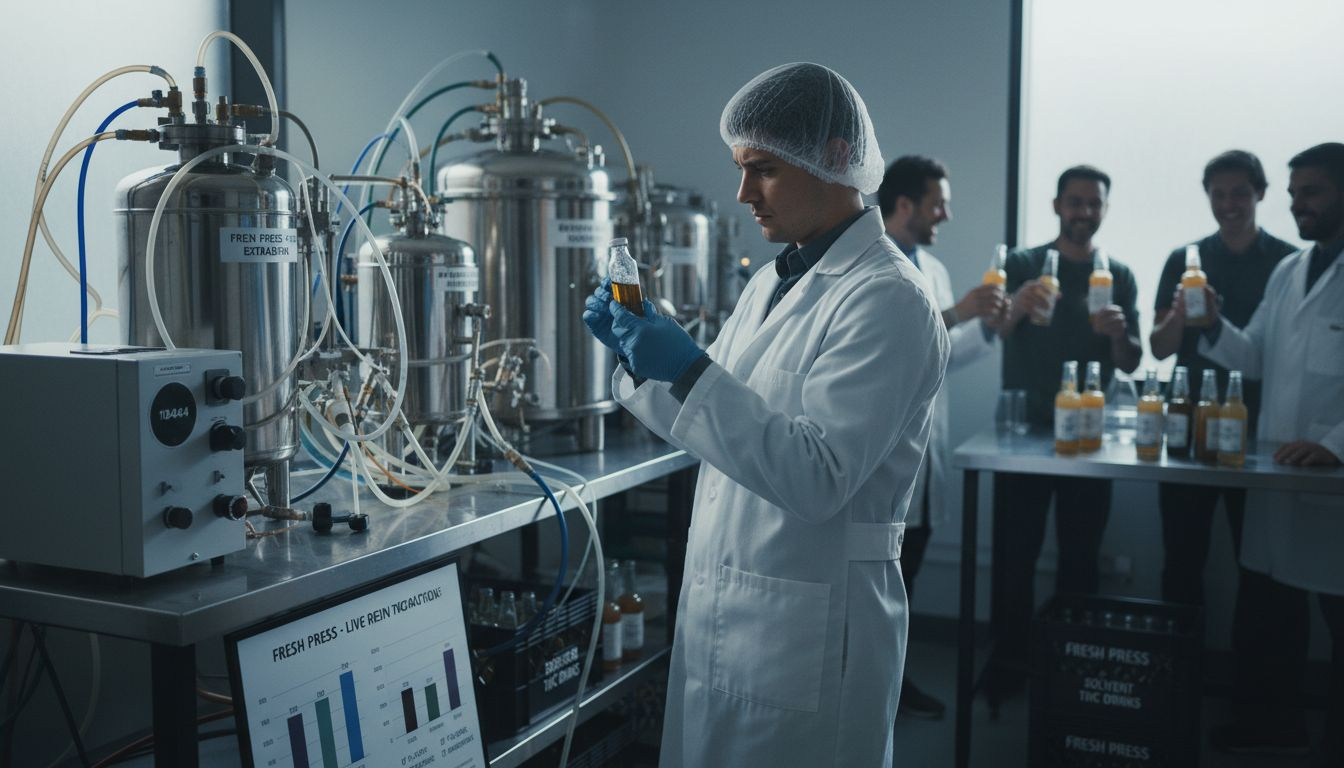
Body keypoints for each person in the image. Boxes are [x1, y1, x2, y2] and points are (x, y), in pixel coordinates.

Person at [582, 62, 949, 767]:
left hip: (816, 627)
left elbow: (818, 476)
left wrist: (687, 366)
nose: (743, 193)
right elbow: (713, 423)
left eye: (765, 170)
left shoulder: (888, 300)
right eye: (741, 168)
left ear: (836, 159)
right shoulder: (772, 280)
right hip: (735, 607)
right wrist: (639, 355)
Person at [1200, 142, 1344, 764]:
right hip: (1279, 474)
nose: (1297, 206)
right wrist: (1209, 322)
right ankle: (1274, 726)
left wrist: (1335, 445)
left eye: (1310, 193)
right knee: (1272, 618)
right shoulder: (1291, 271)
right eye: (1293, 195)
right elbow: (1254, 354)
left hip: (1331, 482)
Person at [986, 165, 1141, 706]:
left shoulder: (1116, 273)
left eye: (1093, 204)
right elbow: (991, 332)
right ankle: (1009, 663)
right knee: (1014, 556)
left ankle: (1075, 668)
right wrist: (1017, 310)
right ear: (1056, 206)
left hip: (1089, 438)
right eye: (1074, 202)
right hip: (1022, 433)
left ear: (1104, 209)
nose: (1084, 212)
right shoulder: (1028, 265)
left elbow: (1130, 361)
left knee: (1081, 556)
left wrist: (1120, 336)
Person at [877, 155, 1005, 720]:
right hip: (880, 457)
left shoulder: (930, 266)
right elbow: (891, 346)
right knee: (878, 585)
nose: (945, 214)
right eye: (937, 203)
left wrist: (993, 323)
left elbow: (941, 355)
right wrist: (957, 312)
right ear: (903, 204)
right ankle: (872, 689)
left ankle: (892, 684)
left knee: (906, 582)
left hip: (925, 457)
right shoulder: (866, 262)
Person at [1149, 150, 1297, 607]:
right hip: (1184, 426)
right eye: (1218, 194)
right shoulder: (1185, 259)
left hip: (1255, 430)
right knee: (1181, 557)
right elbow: (1159, 348)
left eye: (1240, 193)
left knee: (1257, 564)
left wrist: (1214, 320)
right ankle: (1178, 671)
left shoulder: (1288, 263)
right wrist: (1181, 315)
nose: (1229, 204)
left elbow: (1278, 356)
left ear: (1261, 194)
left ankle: (1250, 676)